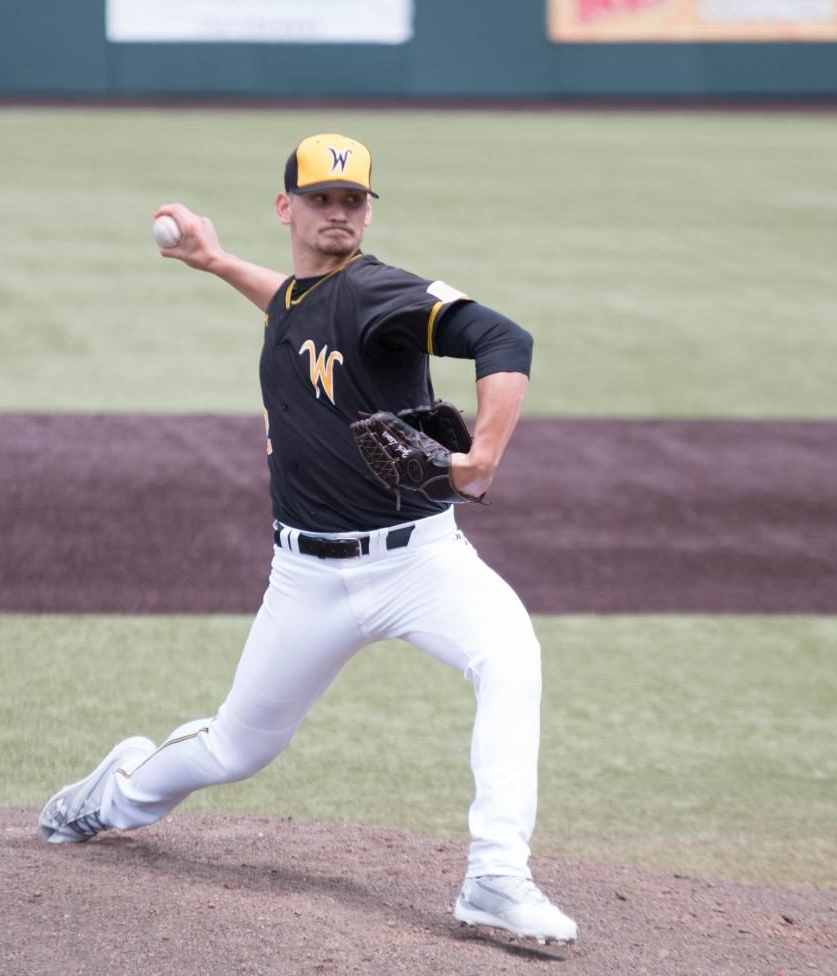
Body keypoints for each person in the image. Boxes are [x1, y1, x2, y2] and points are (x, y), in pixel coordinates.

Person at [37, 133, 578, 944]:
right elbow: (291, 304)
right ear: (286, 208)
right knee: (232, 749)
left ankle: (495, 876)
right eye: (321, 199)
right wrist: (216, 262)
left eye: (352, 200)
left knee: (509, 658)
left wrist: (483, 456)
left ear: (366, 211)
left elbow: (505, 340)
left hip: (422, 561)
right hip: (306, 580)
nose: (338, 212)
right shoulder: (301, 295)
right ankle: (108, 796)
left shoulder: (379, 293)